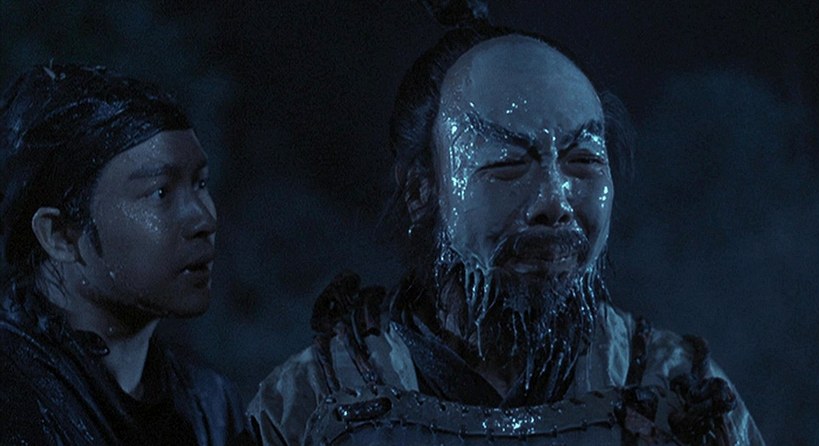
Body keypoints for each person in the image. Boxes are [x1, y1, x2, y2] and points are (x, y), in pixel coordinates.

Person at [248, 4, 764, 445]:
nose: (555, 202)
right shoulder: (311, 404)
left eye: (583, 161)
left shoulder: (680, 391)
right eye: (508, 165)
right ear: (421, 191)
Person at [0, 64, 250, 445]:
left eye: (200, 183)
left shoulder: (210, 405)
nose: (205, 218)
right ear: (60, 235)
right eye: (161, 192)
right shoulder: (15, 400)